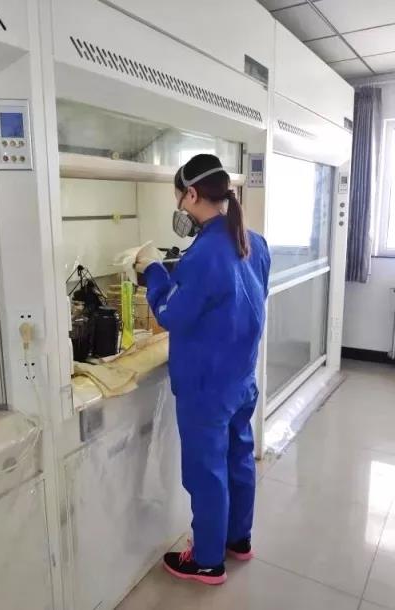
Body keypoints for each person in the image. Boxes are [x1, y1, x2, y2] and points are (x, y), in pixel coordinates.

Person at [135, 154, 270, 586]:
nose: (180, 208)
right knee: (238, 458)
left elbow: (170, 314)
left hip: (206, 387)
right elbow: (243, 301)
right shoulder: (254, 242)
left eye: (179, 198)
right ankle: (238, 539)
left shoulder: (203, 255)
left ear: (192, 194)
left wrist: (153, 271)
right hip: (241, 379)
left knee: (206, 472)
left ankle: (208, 560)